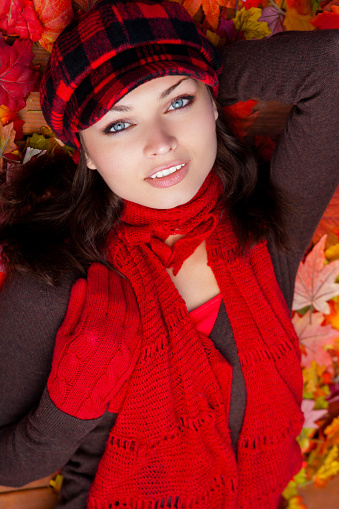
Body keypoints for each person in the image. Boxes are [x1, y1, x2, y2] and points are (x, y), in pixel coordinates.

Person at [0, 0, 338, 507]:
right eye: (117, 124)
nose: (160, 143)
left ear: (211, 98)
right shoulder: (54, 281)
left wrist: (191, 68)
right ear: (85, 153)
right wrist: (68, 406)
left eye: (177, 104)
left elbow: (331, 67)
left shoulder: (265, 231)